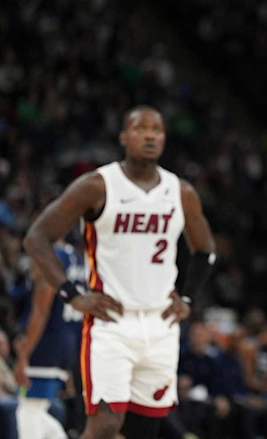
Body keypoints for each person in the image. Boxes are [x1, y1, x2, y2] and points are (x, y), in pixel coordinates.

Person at [23, 105, 216, 439]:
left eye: (157, 130)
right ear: (124, 137)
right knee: (105, 426)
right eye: (141, 129)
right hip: (111, 323)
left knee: (144, 430)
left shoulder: (180, 192)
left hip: (160, 325)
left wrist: (187, 297)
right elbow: (37, 238)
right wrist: (72, 294)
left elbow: (205, 250)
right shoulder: (98, 185)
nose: (150, 136)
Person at [14, 239, 86, 439]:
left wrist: (24, 355)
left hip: (47, 343)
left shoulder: (49, 257)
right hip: (69, 342)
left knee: (27, 410)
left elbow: (41, 310)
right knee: (38, 410)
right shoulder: (77, 260)